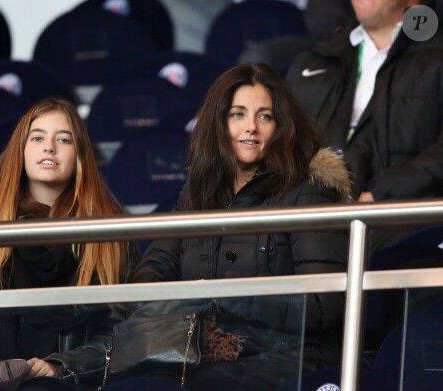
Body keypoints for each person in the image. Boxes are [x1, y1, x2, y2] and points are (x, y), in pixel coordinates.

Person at [105, 64, 353, 391]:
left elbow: (325, 305)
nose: (251, 127)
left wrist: (226, 298)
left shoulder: (308, 190)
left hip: (287, 355)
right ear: (219, 123)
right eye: (238, 114)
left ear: (281, 126)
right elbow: (154, 268)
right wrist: (176, 307)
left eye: (264, 116)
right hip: (199, 351)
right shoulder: (198, 191)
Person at [0, 97, 138, 390]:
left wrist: (59, 367)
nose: (49, 147)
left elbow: (121, 331)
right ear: (21, 151)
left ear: (80, 155)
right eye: (37, 137)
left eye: (64, 140)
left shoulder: (108, 233)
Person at [285, 0, 443, 250]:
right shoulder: (314, 61)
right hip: (313, 229)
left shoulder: (435, 51)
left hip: (411, 228)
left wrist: (380, 194)